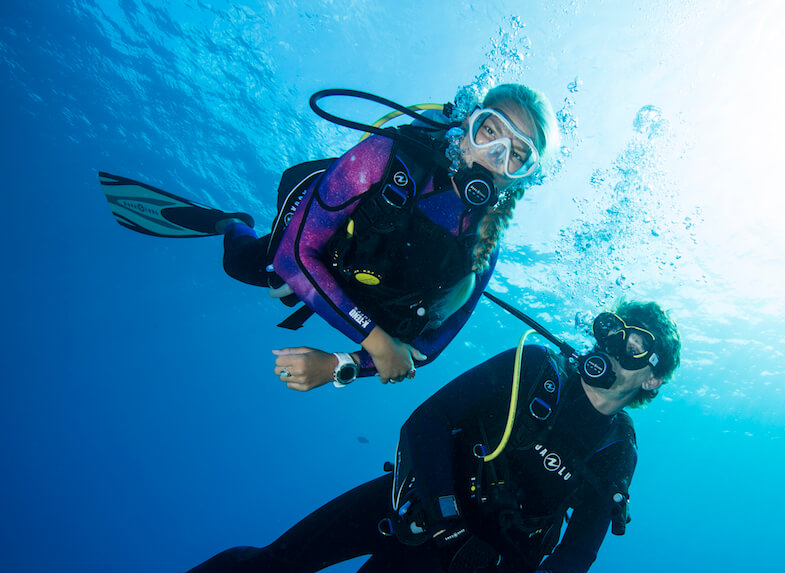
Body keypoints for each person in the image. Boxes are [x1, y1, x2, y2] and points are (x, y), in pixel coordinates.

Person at [0, 300, 680, 573]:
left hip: (439, 562)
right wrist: (443, 520)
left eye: (634, 346)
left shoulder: (618, 453)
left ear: (650, 379)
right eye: (612, 332)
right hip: (406, 504)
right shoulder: (537, 368)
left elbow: (578, 553)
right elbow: (425, 422)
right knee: (262, 562)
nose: (613, 347)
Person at [100, 84, 559, 387]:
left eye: (515, 155)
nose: (493, 156)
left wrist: (338, 365)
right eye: (489, 132)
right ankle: (230, 222)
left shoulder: (483, 249)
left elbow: (422, 351)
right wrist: (375, 341)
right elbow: (293, 258)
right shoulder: (386, 155)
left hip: (363, 300)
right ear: (466, 127)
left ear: (522, 177)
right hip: (316, 253)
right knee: (241, 267)